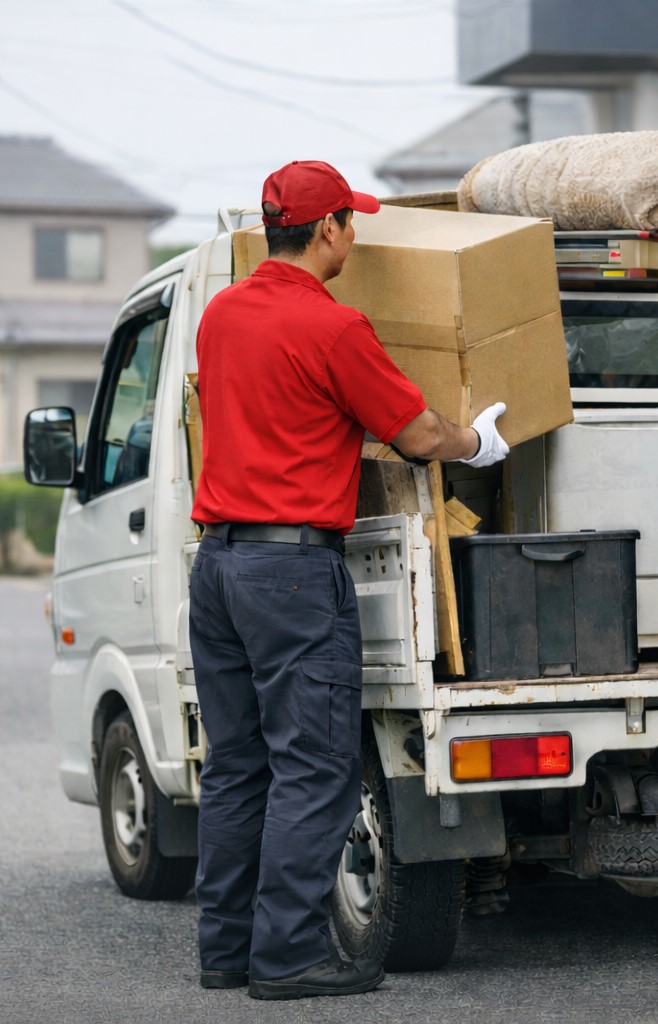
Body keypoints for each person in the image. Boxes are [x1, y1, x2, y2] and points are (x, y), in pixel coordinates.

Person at [188, 160, 510, 1001]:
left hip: (218, 565)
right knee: (312, 768)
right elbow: (417, 432)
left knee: (237, 765)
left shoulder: (221, 316)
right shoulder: (334, 328)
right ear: (327, 228)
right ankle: (288, 957)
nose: (354, 237)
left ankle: (227, 950)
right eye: (350, 222)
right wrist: (478, 442)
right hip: (292, 573)